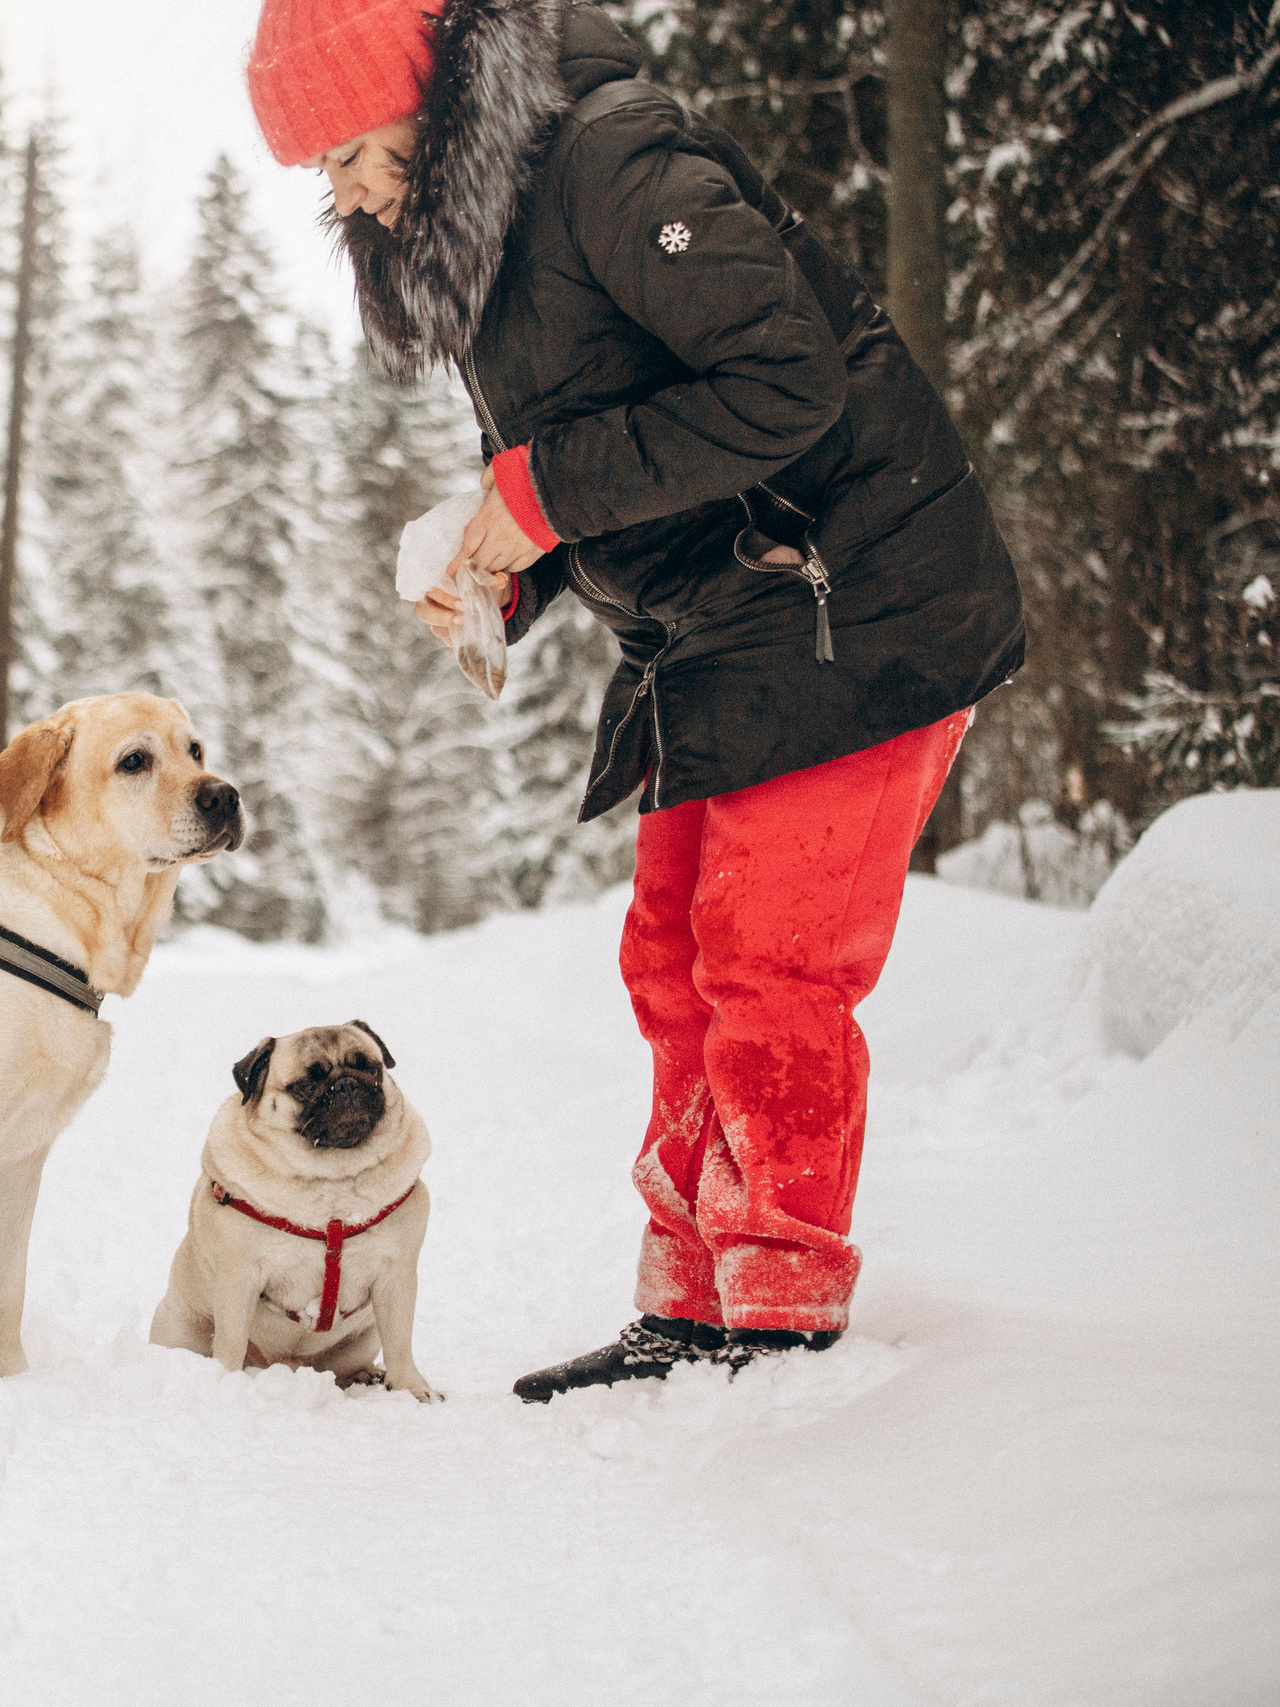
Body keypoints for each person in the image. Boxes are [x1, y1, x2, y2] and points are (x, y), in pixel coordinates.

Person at [244, 0, 1026, 1400]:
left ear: (433, 93)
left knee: (770, 968)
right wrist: (507, 570)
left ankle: (779, 1318)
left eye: (354, 151)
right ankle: (691, 1304)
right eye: (326, 174)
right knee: (673, 967)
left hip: (857, 599)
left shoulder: (611, 160)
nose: (348, 195)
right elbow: (602, 454)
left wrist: (539, 495)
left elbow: (784, 382)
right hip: (716, 625)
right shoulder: (483, 237)